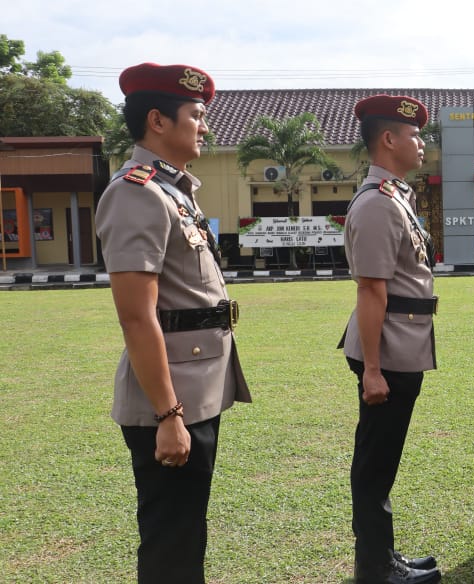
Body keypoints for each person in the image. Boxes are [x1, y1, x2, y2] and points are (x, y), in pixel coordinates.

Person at [95, 62, 251, 583]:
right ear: (158, 121)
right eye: (197, 114)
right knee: (171, 539)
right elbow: (136, 317)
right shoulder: (136, 191)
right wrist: (168, 415)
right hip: (172, 398)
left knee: (187, 530)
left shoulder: (173, 189)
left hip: (194, 386)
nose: (205, 125)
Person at [338, 94, 441, 584]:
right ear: (388, 139)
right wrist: (373, 370)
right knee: (375, 463)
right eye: (414, 135)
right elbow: (372, 291)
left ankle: (384, 556)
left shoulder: (395, 196)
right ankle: (375, 568)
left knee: (382, 460)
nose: (421, 143)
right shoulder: (379, 205)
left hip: (403, 344)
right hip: (388, 351)